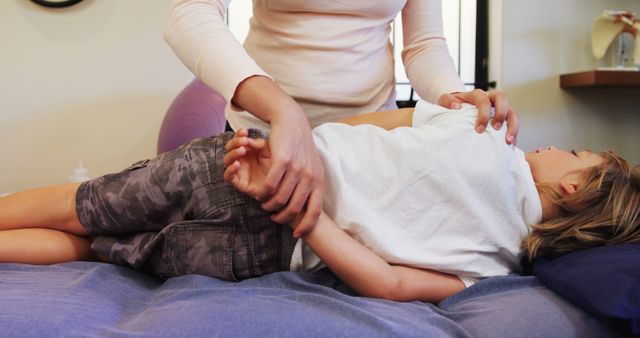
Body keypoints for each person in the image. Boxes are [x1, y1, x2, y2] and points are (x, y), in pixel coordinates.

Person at [1, 101, 638, 303]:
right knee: (100, 250)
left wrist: (288, 136)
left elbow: (383, 122)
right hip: (271, 245)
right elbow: (386, 283)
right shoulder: (499, 267)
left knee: (78, 204)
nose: (558, 147)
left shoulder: (483, 134)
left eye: (574, 151)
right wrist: (308, 218)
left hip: (245, 165)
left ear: (572, 187)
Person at [164, 0, 520, 236]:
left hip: (369, 148)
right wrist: (283, 109)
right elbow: (191, 13)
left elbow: (424, 44)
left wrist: (452, 94)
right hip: (264, 138)